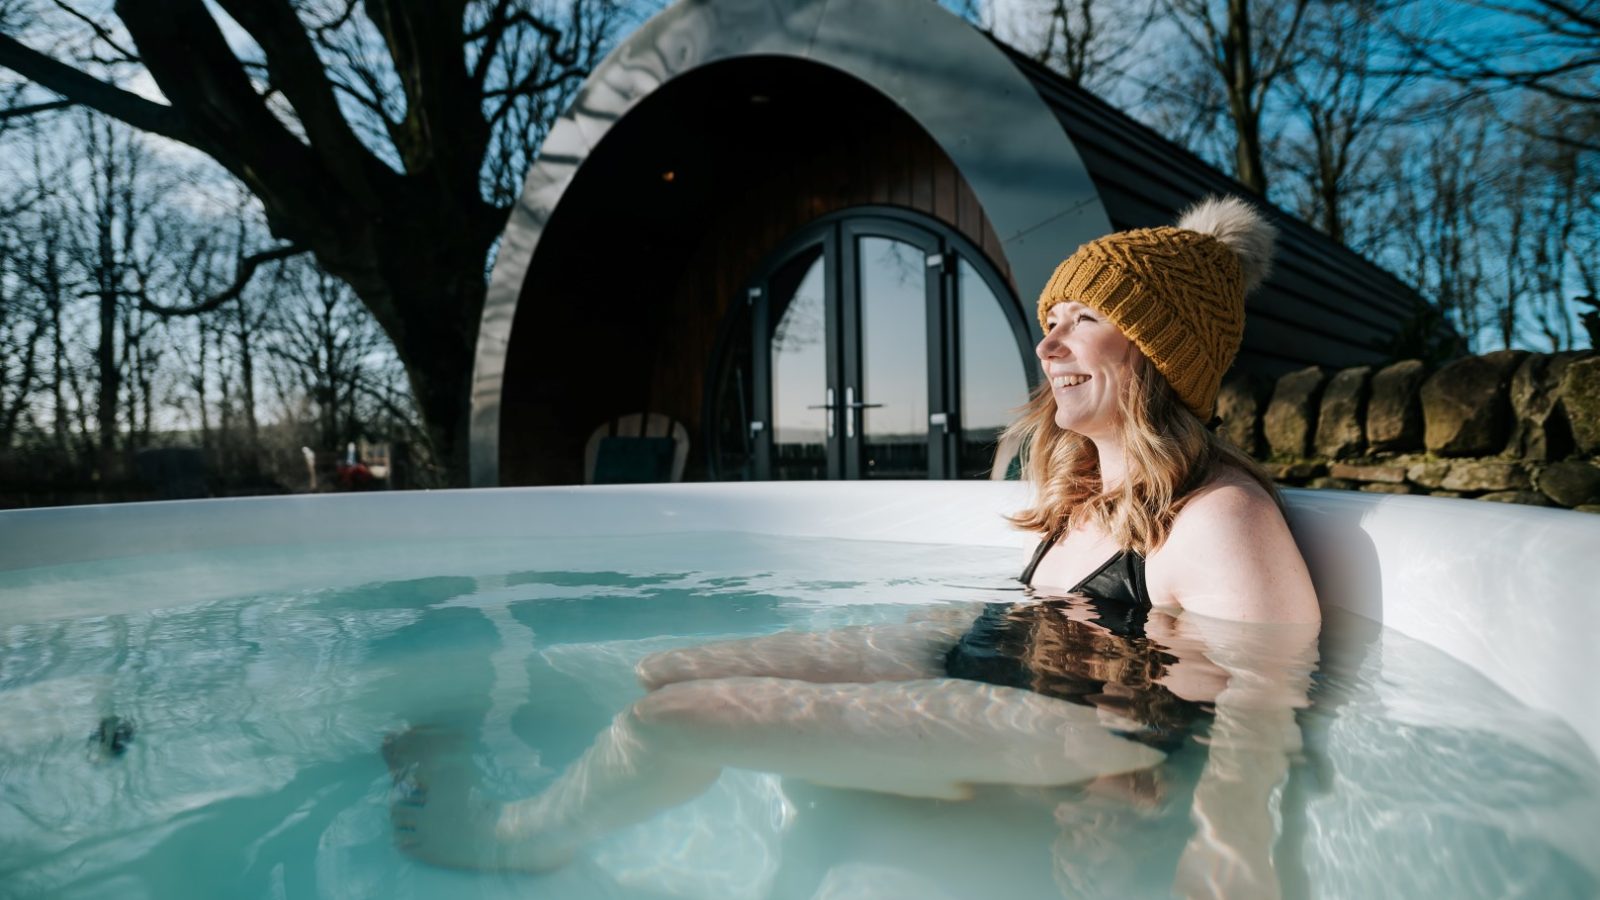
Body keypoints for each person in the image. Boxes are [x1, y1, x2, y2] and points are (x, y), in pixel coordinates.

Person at [383, 196, 1322, 894]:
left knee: (674, 719)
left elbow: (1262, 710)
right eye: (1050, 321)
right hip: (981, 662)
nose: (1048, 345)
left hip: (1081, 731)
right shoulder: (1080, 495)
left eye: (1083, 318)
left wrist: (1224, 855)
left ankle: (522, 840)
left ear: (1160, 350)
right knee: (663, 668)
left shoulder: (1219, 517)